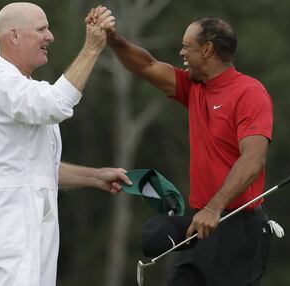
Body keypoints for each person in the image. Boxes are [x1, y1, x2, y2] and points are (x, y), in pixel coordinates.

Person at [89, 9, 274, 286]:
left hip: (238, 229)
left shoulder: (249, 93)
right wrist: (113, 39)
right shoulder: (194, 86)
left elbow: (253, 159)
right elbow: (146, 65)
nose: (181, 53)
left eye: (187, 47)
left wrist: (214, 208)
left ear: (208, 49)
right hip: (200, 226)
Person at [0, 3, 132, 286]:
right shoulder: (2, 83)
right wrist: (92, 47)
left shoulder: (21, 88)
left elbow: (40, 168)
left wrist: (96, 176)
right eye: (41, 29)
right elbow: (56, 104)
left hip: (18, 230)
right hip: (12, 231)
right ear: (14, 36)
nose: (50, 36)